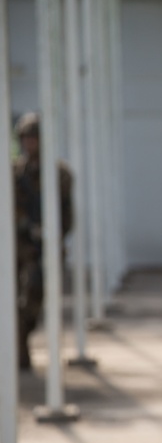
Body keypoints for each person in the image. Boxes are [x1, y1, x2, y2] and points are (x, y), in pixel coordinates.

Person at [12, 113, 73, 372]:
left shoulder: (58, 174)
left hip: (44, 247)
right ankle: (17, 347)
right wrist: (25, 226)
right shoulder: (14, 172)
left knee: (35, 298)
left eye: (34, 138)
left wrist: (51, 234)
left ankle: (21, 336)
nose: (30, 143)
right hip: (18, 246)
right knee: (12, 300)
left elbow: (67, 214)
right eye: (26, 138)